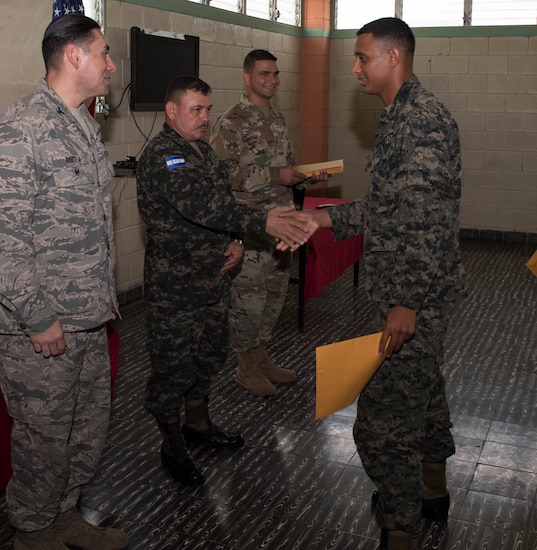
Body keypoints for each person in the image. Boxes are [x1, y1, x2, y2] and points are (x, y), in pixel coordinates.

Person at [0, 14, 128, 550]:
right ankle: (33, 531)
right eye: (104, 53)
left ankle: (63, 516)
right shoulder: (21, 128)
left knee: (85, 433)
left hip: (86, 317)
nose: (112, 64)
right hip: (40, 326)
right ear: (73, 56)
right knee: (43, 440)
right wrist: (36, 315)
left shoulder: (83, 123)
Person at [308, 18, 464, 550]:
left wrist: (406, 304)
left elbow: (427, 220)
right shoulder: (398, 117)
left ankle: (400, 526)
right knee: (425, 393)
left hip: (411, 294)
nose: (355, 68)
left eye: (362, 57)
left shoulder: (420, 121)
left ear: (394, 57)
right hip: (410, 291)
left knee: (383, 425)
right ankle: (433, 491)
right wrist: (320, 221)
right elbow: (384, 207)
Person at [136, 75, 318, 486]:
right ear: (171, 111)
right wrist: (262, 222)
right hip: (176, 285)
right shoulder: (166, 157)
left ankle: (197, 425)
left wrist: (235, 239)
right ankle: (172, 446)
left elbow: (224, 203)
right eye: (196, 110)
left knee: (206, 356)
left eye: (207, 108)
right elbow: (201, 207)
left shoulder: (202, 152)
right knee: (172, 367)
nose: (205, 117)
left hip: (212, 276)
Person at [212, 49, 328, 396]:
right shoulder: (232, 120)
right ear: (247, 77)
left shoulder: (276, 119)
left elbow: (287, 167)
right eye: (264, 74)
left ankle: (261, 356)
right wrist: (278, 174)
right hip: (252, 224)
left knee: (276, 292)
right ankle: (245, 367)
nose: (272, 80)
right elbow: (225, 175)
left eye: (275, 74)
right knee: (249, 297)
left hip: (283, 219)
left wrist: (303, 177)